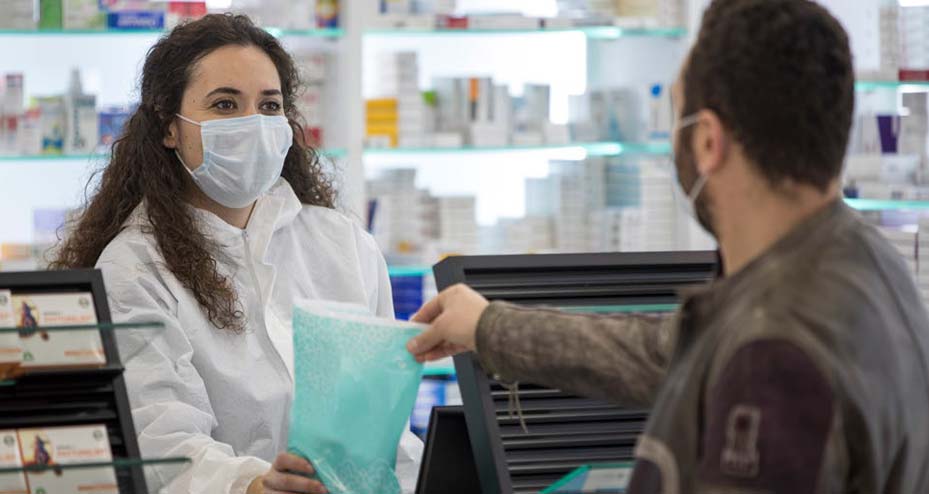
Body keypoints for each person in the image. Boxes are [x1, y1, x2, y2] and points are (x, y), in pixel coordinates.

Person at [407, 1, 929, 492]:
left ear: (707, 141)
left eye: (675, 118)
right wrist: (488, 326)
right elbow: (669, 353)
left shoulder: (774, 357)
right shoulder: (863, 265)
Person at [51, 14, 421, 494]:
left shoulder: (343, 244)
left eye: (269, 106)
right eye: (225, 104)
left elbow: (386, 426)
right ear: (169, 128)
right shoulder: (134, 268)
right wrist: (252, 485)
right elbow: (164, 445)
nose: (253, 124)